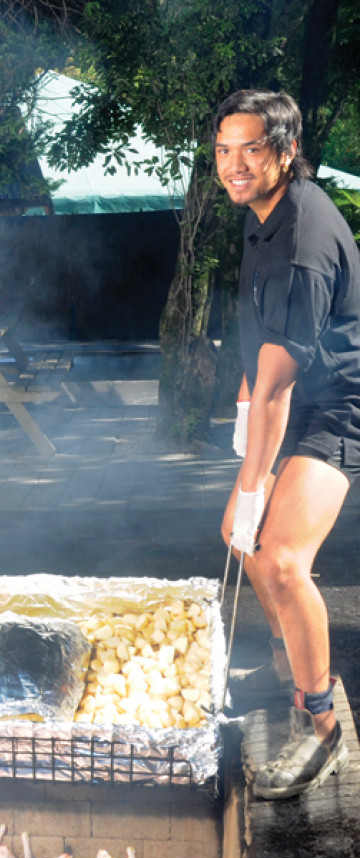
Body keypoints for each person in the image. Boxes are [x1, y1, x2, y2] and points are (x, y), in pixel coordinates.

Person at [214, 89, 360, 799]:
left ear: (286, 152)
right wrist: (248, 439)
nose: (236, 165)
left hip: (337, 407)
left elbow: (278, 387)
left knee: (279, 560)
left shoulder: (300, 246)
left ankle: (324, 728)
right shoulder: (264, 217)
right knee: (241, 540)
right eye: (224, 149)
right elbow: (259, 355)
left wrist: (253, 480)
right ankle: (286, 660)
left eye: (253, 150)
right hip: (295, 397)